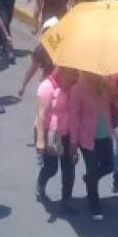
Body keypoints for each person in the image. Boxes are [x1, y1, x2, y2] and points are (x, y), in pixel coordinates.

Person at [68, 73, 115, 220]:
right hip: (87, 138)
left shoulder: (106, 84)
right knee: (93, 169)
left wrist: (111, 88)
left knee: (109, 166)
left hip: (105, 134)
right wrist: (73, 143)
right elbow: (74, 117)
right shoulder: (78, 89)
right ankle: (94, 202)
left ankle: (89, 179)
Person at [35, 66, 78, 208]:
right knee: (51, 168)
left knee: (69, 169)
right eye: (68, 76)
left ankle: (66, 199)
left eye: (73, 77)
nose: (70, 80)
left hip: (69, 134)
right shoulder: (47, 87)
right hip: (53, 135)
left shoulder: (75, 86)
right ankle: (41, 184)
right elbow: (41, 116)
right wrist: (41, 140)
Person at [19, 17, 58, 97]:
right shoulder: (41, 49)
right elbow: (33, 68)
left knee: (47, 75)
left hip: (52, 54)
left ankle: (44, 92)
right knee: (35, 67)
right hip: (44, 51)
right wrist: (24, 86)